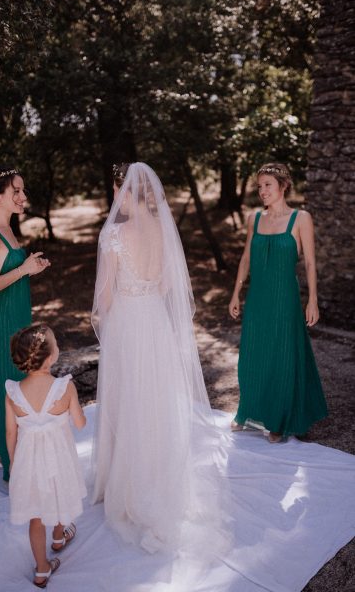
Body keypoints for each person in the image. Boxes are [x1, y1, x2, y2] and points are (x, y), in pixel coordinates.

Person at [91, 162, 223, 554]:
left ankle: (127, 487)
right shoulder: (163, 230)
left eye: (117, 191)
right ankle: (160, 480)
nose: (115, 199)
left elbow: (105, 295)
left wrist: (100, 317)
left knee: (127, 398)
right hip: (155, 320)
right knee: (155, 402)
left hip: (128, 322)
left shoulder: (113, 234)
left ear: (125, 191)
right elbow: (168, 283)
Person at [229, 162, 328, 442]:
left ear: (283, 186)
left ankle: (279, 421)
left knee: (283, 356)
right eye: (259, 186)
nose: (262, 191)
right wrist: (236, 292)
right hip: (258, 298)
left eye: (268, 185)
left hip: (285, 300)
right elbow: (246, 258)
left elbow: (310, 262)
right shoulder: (254, 219)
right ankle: (248, 410)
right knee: (252, 356)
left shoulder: (301, 219)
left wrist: (312, 301)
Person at [0, 165, 50, 481]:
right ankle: (14, 465)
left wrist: (30, 268)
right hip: (2, 321)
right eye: (15, 191)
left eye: (22, 190)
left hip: (18, 316)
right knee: (10, 388)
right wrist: (22, 271)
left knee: (13, 383)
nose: (23, 196)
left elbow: (9, 273)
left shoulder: (7, 229)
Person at [6, 323, 87, 588]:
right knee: (60, 492)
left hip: (28, 463)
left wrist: (15, 463)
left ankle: (42, 569)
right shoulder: (65, 388)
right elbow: (79, 423)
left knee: (35, 516)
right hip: (60, 459)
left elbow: (10, 434)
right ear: (50, 358)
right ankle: (59, 535)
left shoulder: (13, 393)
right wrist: (76, 412)